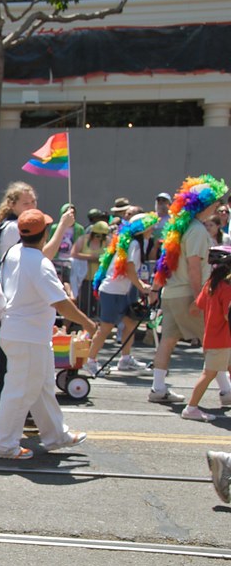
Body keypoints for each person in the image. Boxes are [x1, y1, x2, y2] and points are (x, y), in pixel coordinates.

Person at [0, 209, 97, 460]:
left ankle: (55, 435)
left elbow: (40, 260)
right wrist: (88, 323)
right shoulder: (40, 263)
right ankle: (3, 444)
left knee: (42, 387)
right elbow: (61, 303)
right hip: (29, 336)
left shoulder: (14, 252)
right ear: (44, 232)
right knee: (21, 391)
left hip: (23, 333)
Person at [0, 182, 76, 435]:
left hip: (17, 318)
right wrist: (62, 227)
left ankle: (47, 430)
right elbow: (41, 256)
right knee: (14, 380)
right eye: (26, 203)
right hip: (19, 319)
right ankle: (1, 431)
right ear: (11, 205)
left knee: (23, 377)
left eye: (33, 202)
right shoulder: (13, 229)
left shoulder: (12, 229)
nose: (32, 206)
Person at [150, 175, 228, 404]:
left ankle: (158, 387)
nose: (217, 206)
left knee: (168, 340)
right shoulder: (196, 230)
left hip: (172, 293)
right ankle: (226, 391)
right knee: (217, 341)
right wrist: (199, 299)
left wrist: (156, 289)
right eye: (215, 202)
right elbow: (195, 268)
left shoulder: (180, 228)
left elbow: (166, 263)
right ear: (205, 205)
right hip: (189, 295)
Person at [85, 213, 157, 376]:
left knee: (130, 323)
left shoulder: (132, 243)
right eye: (150, 226)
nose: (152, 229)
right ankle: (90, 361)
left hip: (120, 291)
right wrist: (141, 286)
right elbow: (129, 269)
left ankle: (125, 358)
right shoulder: (135, 245)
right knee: (106, 328)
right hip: (113, 291)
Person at [181, 246, 231, 421]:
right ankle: (191, 408)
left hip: (213, 336)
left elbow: (196, 307)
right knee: (208, 373)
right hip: (222, 339)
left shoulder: (211, 284)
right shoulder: (226, 288)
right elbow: (227, 315)